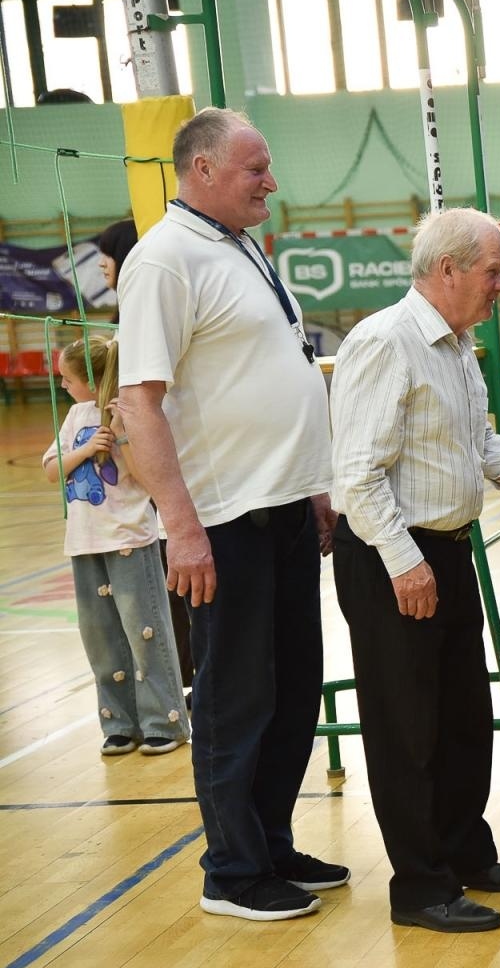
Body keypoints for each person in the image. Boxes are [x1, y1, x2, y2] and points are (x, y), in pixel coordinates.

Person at [117, 107, 347, 922]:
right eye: (256, 170)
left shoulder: (238, 246)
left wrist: (315, 483)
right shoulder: (164, 260)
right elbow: (139, 405)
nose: (272, 184)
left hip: (284, 509)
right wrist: (181, 526)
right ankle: (233, 871)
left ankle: (272, 844)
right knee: (235, 698)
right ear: (202, 169)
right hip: (222, 522)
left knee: (293, 693)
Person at [329, 207, 500, 933]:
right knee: (406, 728)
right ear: (447, 270)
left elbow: (478, 448)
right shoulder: (385, 343)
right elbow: (356, 477)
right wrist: (403, 563)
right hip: (395, 559)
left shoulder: (456, 345)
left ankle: (463, 856)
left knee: (462, 719)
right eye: (493, 271)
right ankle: (420, 888)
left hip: (447, 552)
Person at [43, 335, 190, 757]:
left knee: (144, 632)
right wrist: (88, 448)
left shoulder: (127, 414)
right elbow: (53, 470)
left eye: (68, 379)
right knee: (101, 639)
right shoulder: (74, 415)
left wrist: (122, 437)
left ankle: (165, 721)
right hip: (85, 544)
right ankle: (120, 723)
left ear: (90, 377)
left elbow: (149, 479)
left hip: (128, 537)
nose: (64, 386)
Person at [98, 217, 195, 706]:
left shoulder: (148, 312)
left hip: (156, 499)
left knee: (173, 592)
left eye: (109, 254)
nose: (100, 264)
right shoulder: (125, 323)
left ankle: (181, 693)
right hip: (133, 503)